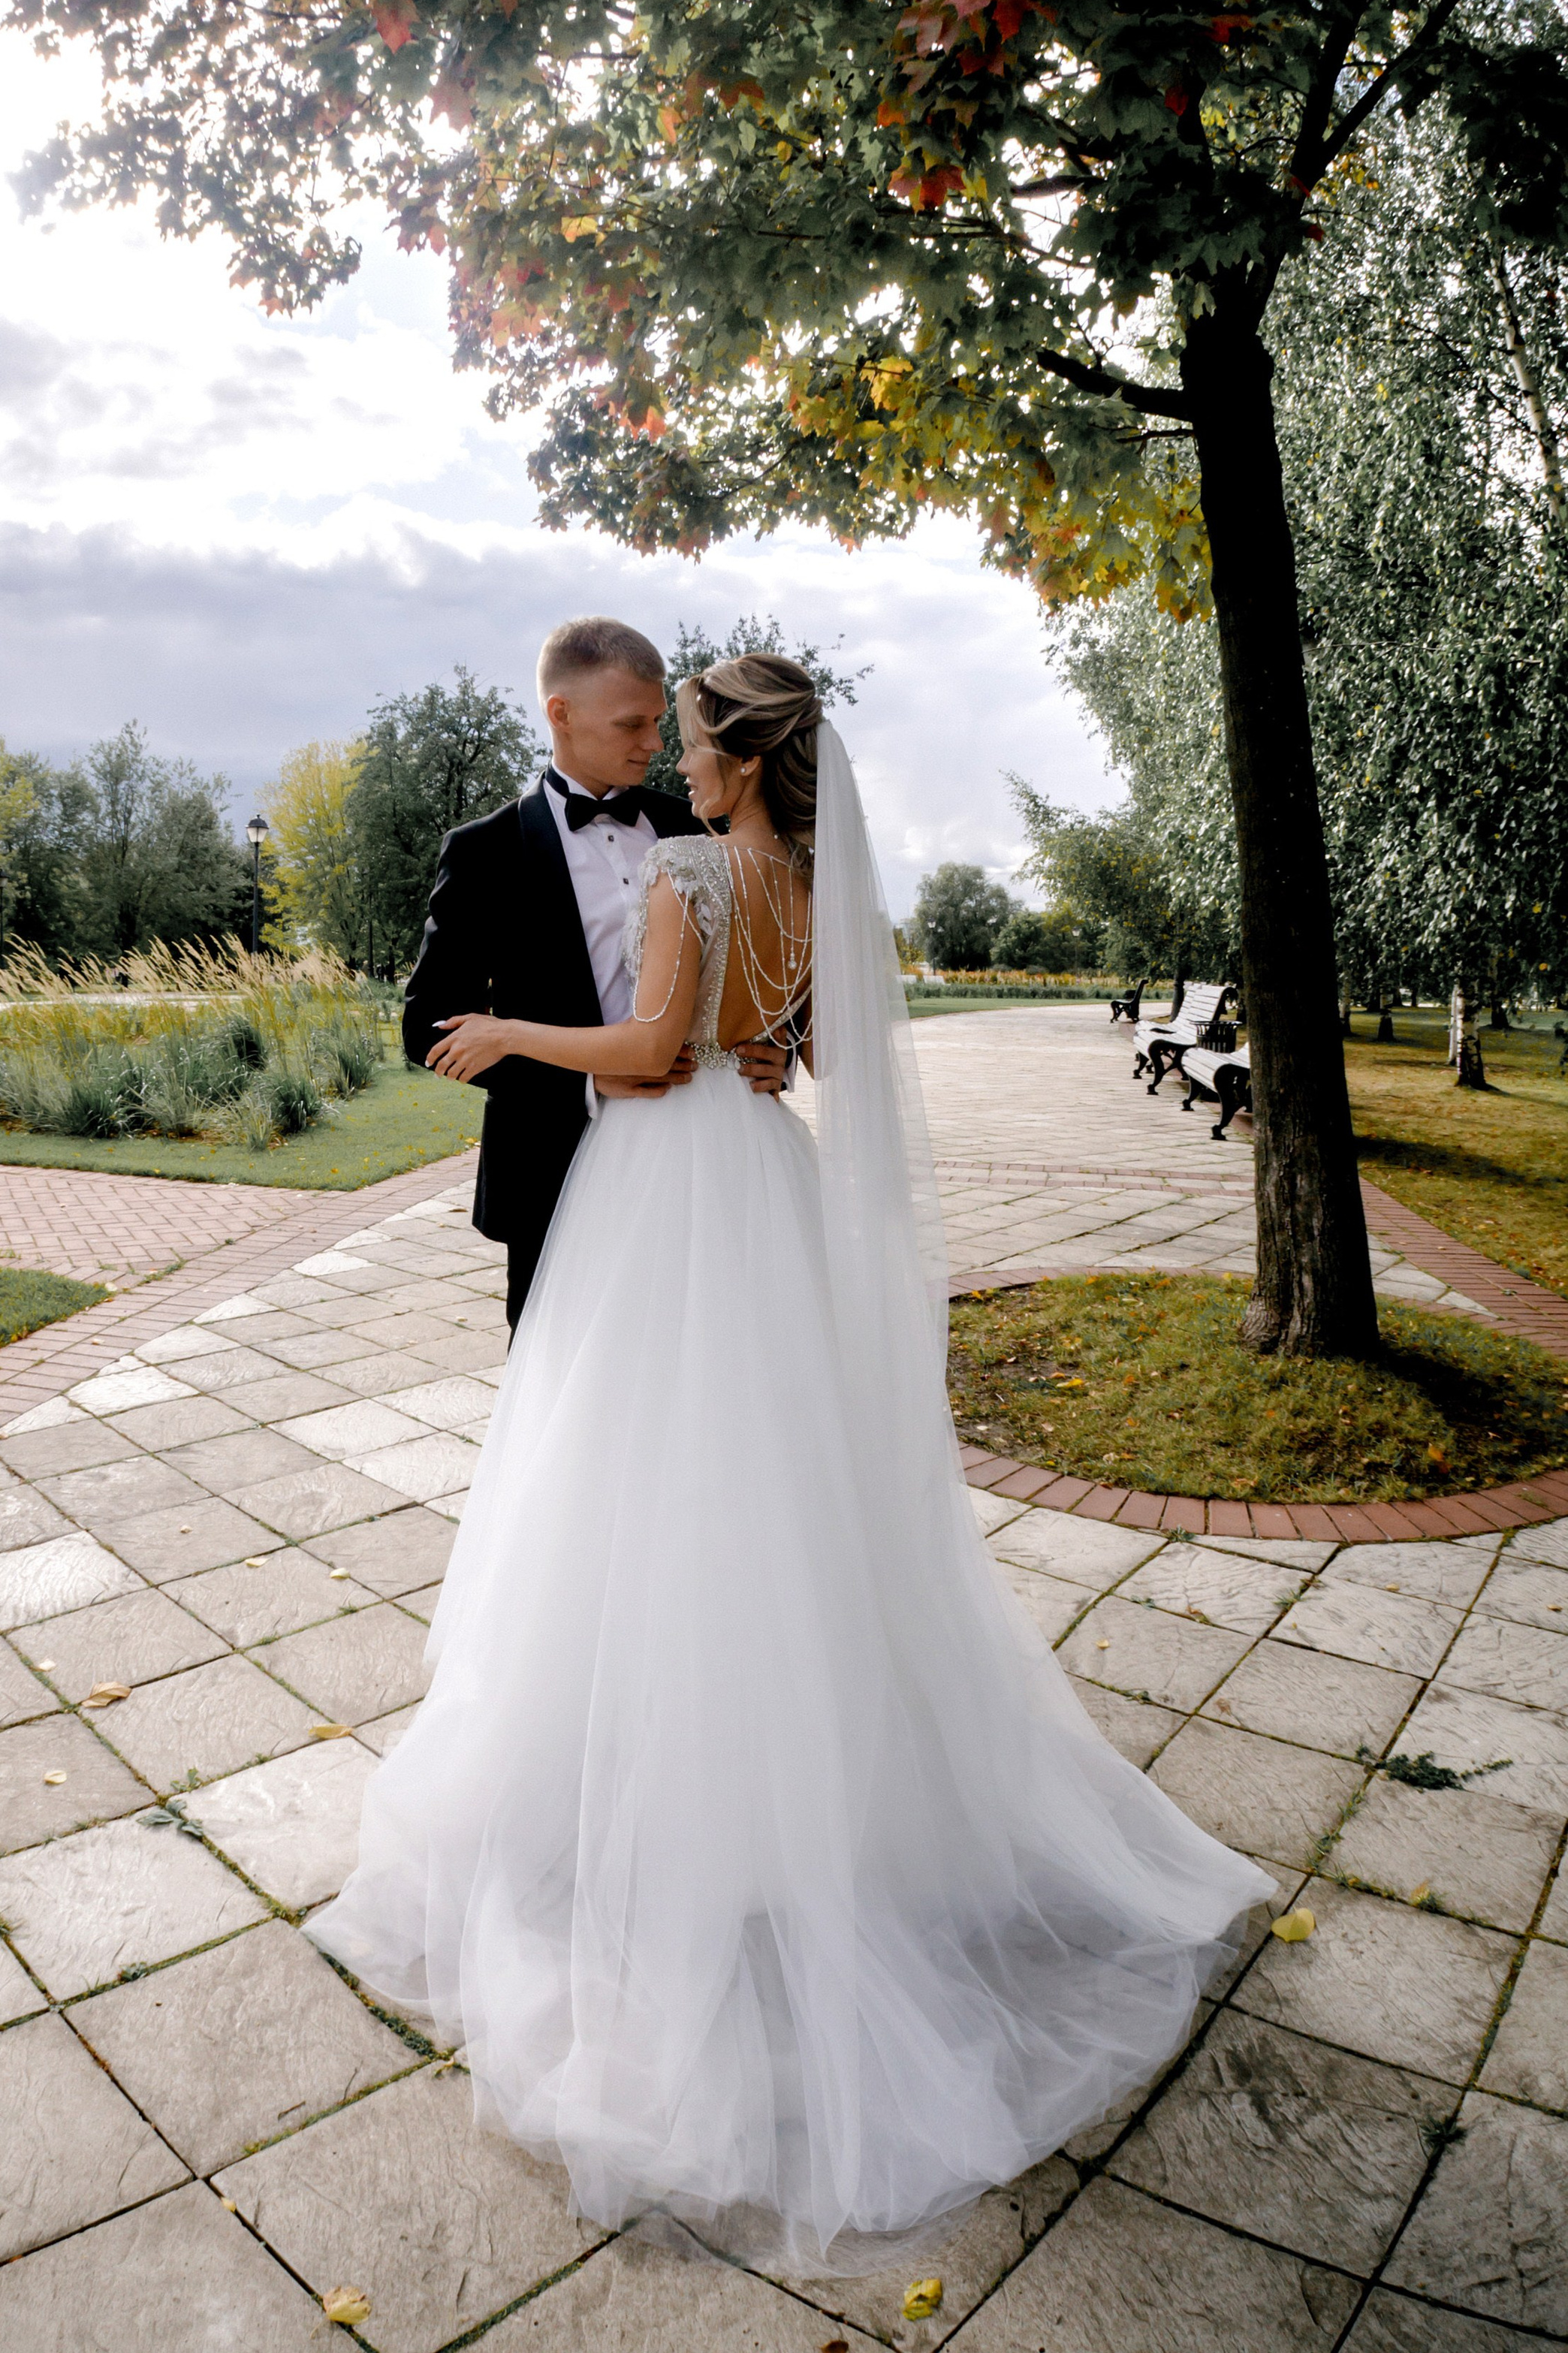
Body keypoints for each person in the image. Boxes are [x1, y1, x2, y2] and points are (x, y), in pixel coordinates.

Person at [310, 653, 1269, 2274]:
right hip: (756, 1180)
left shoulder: (690, 867)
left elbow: (650, 1046)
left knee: (634, 1496)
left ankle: (638, 1801)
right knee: (763, 1503)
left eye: (690, 738)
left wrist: (507, 1033)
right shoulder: (812, 878)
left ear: (741, 759)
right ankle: (773, 1782)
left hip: (660, 1189)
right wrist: (757, 1045)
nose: (677, 759)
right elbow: (794, 1052)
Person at [401, 616, 784, 1329]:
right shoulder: (486, 851)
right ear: (561, 714)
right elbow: (426, 1025)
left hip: (702, 1157)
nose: (656, 744)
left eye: (659, 722)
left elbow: (762, 944)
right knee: (563, 1400)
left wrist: (777, 1043)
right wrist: (583, 1077)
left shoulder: (699, 826)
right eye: (633, 724)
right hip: (553, 1169)